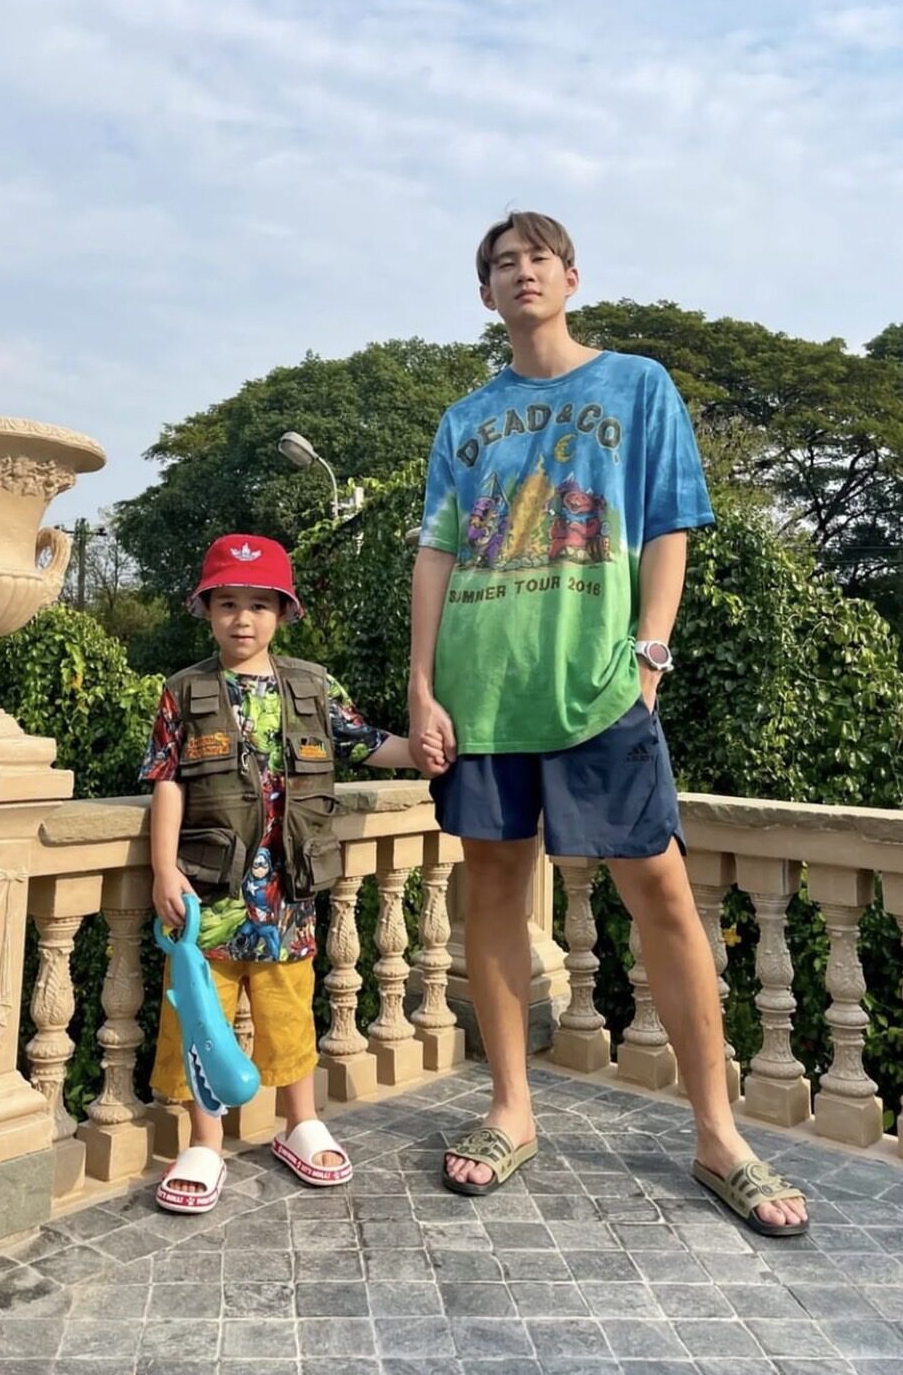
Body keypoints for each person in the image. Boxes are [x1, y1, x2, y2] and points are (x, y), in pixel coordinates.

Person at [408, 211, 809, 1237]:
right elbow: (438, 551)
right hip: (483, 688)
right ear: (485, 294)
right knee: (494, 888)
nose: (521, 273)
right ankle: (510, 1109)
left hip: (598, 686)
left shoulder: (636, 385)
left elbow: (670, 522)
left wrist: (649, 656)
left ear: (571, 278)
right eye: (502, 264)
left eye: (537, 258)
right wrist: (421, 684)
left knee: (661, 892)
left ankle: (718, 1134)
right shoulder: (465, 419)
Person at [142, 532, 420, 1212]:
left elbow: (364, 742)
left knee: (289, 1010)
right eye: (228, 604)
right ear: (206, 611)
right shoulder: (184, 691)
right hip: (208, 893)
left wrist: (426, 751)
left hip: (288, 894)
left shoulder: (313, 686)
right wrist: (162, 869)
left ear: (283, 613)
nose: (243, 619)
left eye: (259, 605)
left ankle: (300, 1122)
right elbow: (167, 781)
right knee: (200, 1018)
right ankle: (204, 1142)